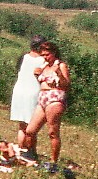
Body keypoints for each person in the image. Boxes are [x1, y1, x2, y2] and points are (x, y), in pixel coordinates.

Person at [19, 40, 68, 169]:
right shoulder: (44, 66)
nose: (45, 57)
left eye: (47, 54)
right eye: (43, 55)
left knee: (53, 132)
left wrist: (59, 75)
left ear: (54, 53)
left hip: (55, 98)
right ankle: (32, 155)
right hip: (42, 97)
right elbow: (42, 82)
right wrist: (37, 75)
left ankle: (53, 161)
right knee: (30, 130)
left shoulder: (61, 65)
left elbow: (66, 85)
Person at [10, 34, 48, 158]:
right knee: (32, 126)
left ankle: (21, 150)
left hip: (19, 90)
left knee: (22, 125)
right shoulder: (43, 61)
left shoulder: (23, 57)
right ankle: (30, 151)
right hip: (33, 91)